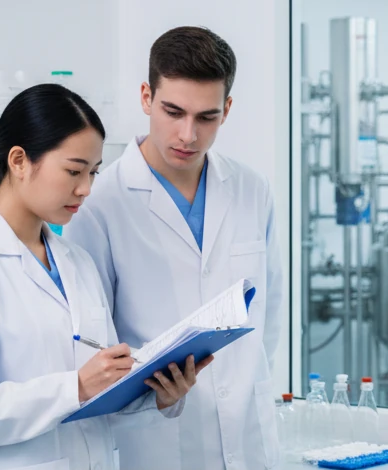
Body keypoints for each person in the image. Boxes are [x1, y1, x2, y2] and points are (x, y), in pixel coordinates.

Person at [0, 84, 212, 470]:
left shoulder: (78, 263)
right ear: (19, 161)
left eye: (92, 172)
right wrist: (75, 386)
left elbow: (98, 393)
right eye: (74, 171)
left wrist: (156, 394)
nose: (86, 188)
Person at [63, 26, 283, 470]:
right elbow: (92, 341)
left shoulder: (250, 189)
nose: (188, 135)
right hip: (156, 440)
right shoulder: (100, 202)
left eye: (207, 117)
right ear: (146, 97)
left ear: (227, 110)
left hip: (249, 434)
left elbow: (270, 313)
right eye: (173, 111)